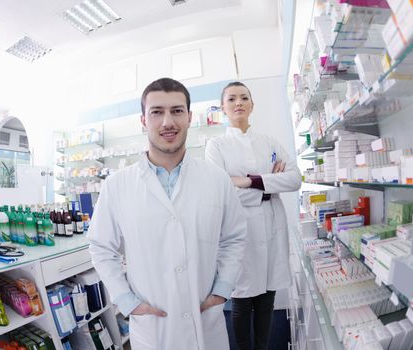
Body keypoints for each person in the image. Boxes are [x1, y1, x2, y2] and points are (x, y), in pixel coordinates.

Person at [88, 77, 247, 350]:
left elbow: (234, 237)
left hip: (205, 323)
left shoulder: (216, 179)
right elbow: (101, 247)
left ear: (188, 117)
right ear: (143, 120)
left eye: (176, 111)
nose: (167, 122)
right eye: (157, 112)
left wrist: (222, 289)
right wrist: (127, 301)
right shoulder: (117, 186)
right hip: (153, 329)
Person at [205, 81, 302, 350]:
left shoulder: (269, 142)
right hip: (239, 232)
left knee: (267, 297)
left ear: (252, 105)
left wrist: (248, 182)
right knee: (241, 299)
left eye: (244, 98)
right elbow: (220, 193)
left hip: (271, 227)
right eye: (232, 99)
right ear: (223, 108)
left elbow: (294, 179)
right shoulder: (216, 145)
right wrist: (269, 184)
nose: (239, 103)